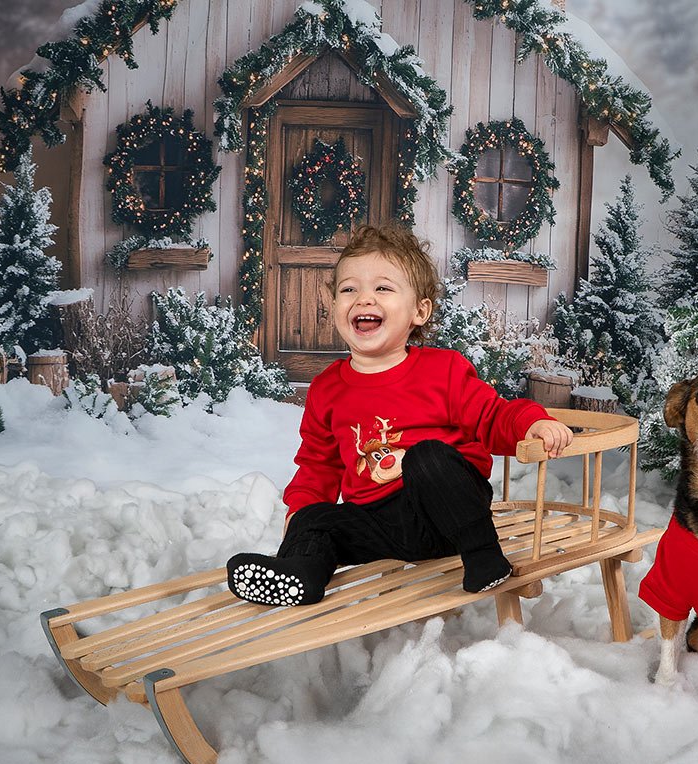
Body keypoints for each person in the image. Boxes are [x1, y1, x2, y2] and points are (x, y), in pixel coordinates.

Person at [227, 223, 574, 606]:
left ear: (419, 311)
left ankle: (484, 555)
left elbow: (493, 416)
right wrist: (302, 515)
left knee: (427, 456)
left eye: (383, 288)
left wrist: (533, 422)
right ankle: (302, 574)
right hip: (377, 523)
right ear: (335, 306)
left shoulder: (443, 370)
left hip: (447, 515)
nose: (363, 299)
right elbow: (319, 464)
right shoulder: (327, 388)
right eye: (349, 289)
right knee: (313, 517)